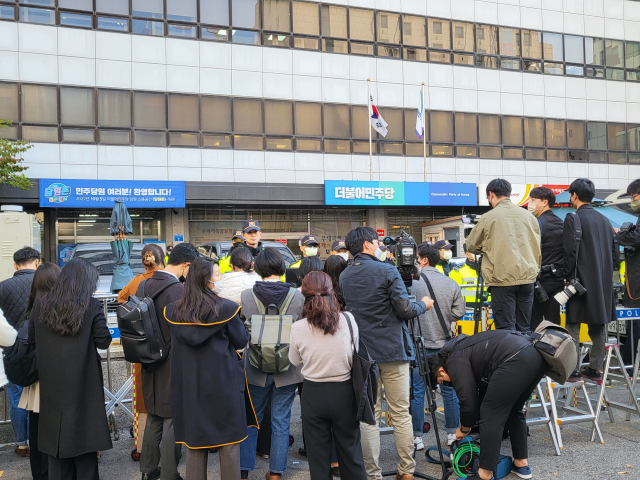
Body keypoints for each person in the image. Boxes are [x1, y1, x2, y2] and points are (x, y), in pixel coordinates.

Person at [339, 227, 432, 480]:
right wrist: (423, 305)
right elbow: (404, 310)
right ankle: (406, 471)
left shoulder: (345, 275)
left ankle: (373, 474)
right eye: (377, 241)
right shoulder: (388, 270)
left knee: (369, 415)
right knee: (400, 412)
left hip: (363, 353)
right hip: (393, 350)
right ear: (368, 245)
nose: (380, 244)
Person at [165, 256, 257, 480]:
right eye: (217, 274)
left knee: (195, 445)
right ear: (206, 280)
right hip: (223, 385)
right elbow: (241, 341)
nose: (221, 277)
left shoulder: (174, 311)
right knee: (230, 445)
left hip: (190, 386)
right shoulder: (226, 309)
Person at [29, 258, 112, 479]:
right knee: (85, 448)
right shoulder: (91, 306)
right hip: (84, 386)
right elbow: (103, 341)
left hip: (51, 386)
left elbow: (31, 341)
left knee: (57, 451)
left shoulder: (40, 306)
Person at [429, 330, 546, 480]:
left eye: (441, 380)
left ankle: (485, 474)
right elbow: (481, 393)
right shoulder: (464, 347)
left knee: (491, 414)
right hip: (535, 355)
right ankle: (521, 464)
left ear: (440, 370)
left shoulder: (454, 360)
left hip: (514, 358)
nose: (445, 383)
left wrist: (464, 429)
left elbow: (468, 403)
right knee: (513, 409)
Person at [289, 271, 367, 480]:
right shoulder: (349, 320)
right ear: (332, 292)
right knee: (351, 452)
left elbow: (295, 361)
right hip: (344, 392)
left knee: (318, 456)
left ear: (303, 295)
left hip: (313, 394)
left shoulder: (297, 328)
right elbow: (355, 354)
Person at [240, 248, 305, 480]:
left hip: (255, 367)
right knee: (281, 420)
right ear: (282, 267)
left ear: (257, 268)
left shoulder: (246, 296)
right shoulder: (298, 296)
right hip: (288, 367)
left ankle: (244, 470)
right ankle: (276, 472)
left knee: (251, 419)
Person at [140, 242, 200, 480]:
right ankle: (169, 473)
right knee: (173, 418)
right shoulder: (178, 291)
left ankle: (147, 470)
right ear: (186, 266)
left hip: (148, 360)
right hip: (173, 361)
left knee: (154, 414)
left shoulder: (144, 284)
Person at [557, 179, 617, 382]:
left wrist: (565, 276)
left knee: (573, 326)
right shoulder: (605, 220)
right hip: (602, 283)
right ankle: (595, 368)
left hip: (579, 282)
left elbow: (569, 252)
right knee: (598, 325)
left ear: (574, 195)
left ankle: (573, 369)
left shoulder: (572, 218)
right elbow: (615, 254)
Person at [466, 179, 541, 334]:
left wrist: (487, 248)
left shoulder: (488, 217)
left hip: (501, 279)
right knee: (524, 328)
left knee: (506, 330)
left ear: (491, 195)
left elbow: (471, 245)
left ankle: (510, 358)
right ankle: (526, 357)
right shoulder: (529, 216)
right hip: (528, 278)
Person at [411, 243, 465, 452]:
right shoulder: (451, 283)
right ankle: (452, 434)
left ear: (424, 260)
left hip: (419, 344)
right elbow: (459, 312)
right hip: (445, 345)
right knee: (449, 390)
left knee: (417, 391)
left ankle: (417, 438)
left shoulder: (412, 284)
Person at [20, 263, 61, 480]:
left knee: (36, 431)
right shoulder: (60, 311)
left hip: (35, 382)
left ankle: (39, 474)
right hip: (55, 381)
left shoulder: (30, 310)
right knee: (54, 432)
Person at [0, 246, 40, 457]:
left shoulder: (3, 287)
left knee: (16, 397)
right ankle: (41, 439)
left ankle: (22, 443)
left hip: (13, 351)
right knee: (41, 395)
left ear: (15, 265)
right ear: (37, 262)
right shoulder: (45, 285)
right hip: (41, 349)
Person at [528, 187, 565, 330]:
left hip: (539, 280)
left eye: (533, 200)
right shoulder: (560, 222)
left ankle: (535, 351)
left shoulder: (536, 223)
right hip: (557, 280)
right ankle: (556, 349)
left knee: (534, 322)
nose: (530, 203)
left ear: (544, 202)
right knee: (553, 321)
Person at [615, 179, 640, 364]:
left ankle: (630, 364)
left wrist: (618, 235)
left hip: (637, 280)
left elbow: (636, 238)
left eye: (634, 196)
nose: (633, 200)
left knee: (635, 320)